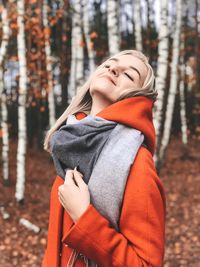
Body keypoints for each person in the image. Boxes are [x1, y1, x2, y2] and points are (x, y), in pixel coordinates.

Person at [42, 49, 166, 267]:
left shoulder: (136, 162)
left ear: (138, 99)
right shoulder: (71, 143)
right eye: (110, 63)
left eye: (129, 75)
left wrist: (84, 218)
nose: (114, 68)